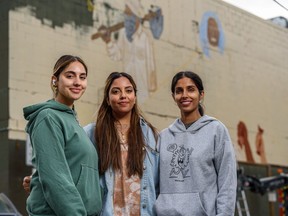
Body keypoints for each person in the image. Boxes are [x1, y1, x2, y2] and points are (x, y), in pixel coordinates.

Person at [23, 55, 102, 216]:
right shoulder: (48, 117)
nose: (77, 82)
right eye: (70, 76)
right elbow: (55, 178)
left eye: (82, 77)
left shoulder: (72, 120)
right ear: (55, 80)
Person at [154, 71, 237, 216]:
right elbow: (154, 184)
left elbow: (227, 181)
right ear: (173, 96)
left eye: (191, 89)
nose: (184, 95)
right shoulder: (163, 136)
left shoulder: (216, 130)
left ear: (201, 94)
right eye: (179, 91)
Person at [84, 72, 159, 215]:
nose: (123, 95)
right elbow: (68, 164)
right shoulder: (92, 133)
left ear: (135, 97)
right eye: (116, 91)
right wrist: (38, 178)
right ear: (107, 99)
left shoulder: (151, 135)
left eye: (128, 90)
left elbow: (159, 183)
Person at [99, 0, 160, 103]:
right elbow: (117, 56)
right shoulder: (123, 34)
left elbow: (151, 65)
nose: (126, 18)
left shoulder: (146, 36)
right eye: (126, 15)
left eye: (128, 14)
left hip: (142, 90)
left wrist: (152, 88)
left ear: (136, 16)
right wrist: (108, 41)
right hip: (125, 91)